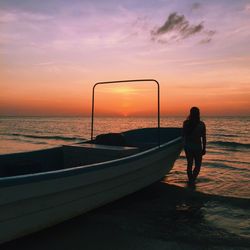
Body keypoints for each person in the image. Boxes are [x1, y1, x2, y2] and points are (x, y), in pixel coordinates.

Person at [183, 107, 206, 183]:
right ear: (198, 114)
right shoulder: (201, 124)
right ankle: (192, 179)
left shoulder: (186, 123)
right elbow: (204, 137)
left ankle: (190, 180)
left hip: (188, 146)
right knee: (198, 166)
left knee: (189, 164)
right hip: (197, 147)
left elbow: (183, 135)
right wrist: (204, 148)